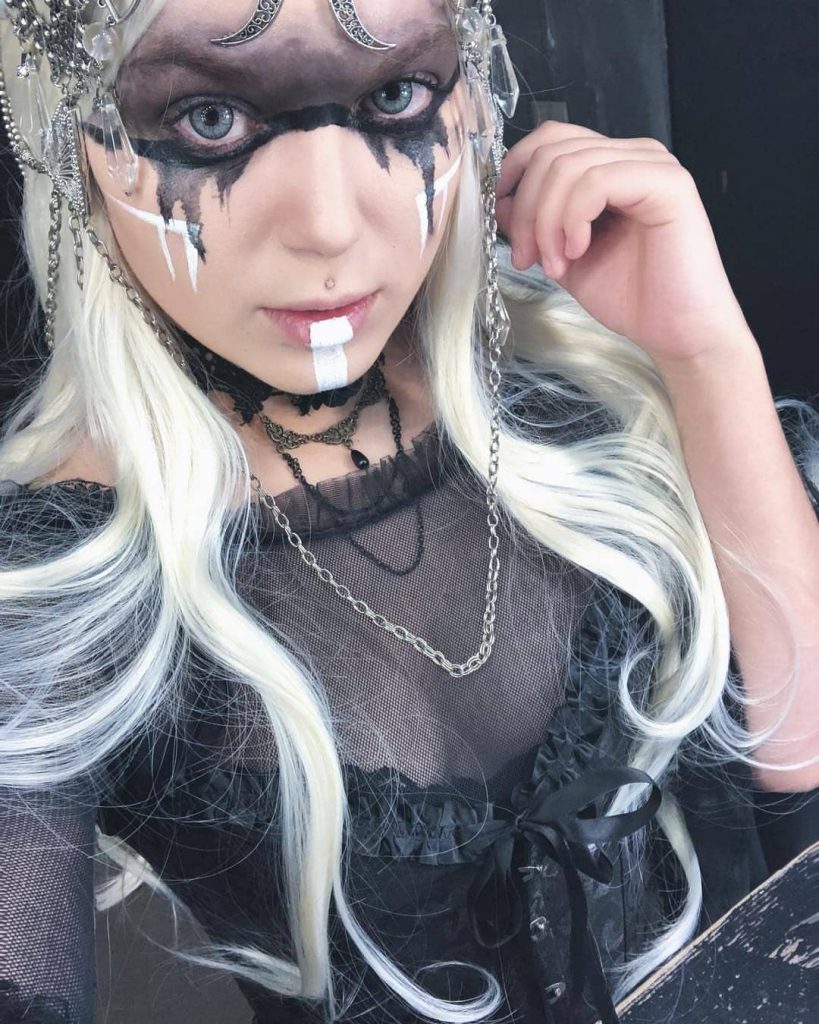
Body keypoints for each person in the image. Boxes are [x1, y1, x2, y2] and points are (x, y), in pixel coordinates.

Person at [0, 1, 817, 1022]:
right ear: (70, 136)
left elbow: (805, 814)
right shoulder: (54, 582)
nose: (330, 224)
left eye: (393, 96)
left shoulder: (583, 388)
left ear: (468, 94)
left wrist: (707, 358)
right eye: (210, 120)